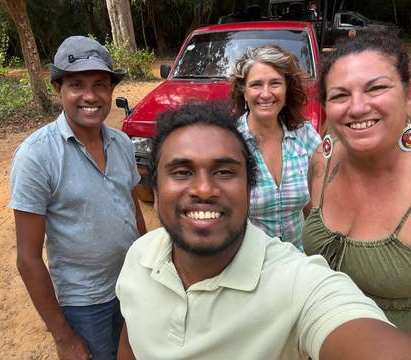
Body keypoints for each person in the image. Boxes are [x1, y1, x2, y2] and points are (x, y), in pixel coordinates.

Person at [115, 102, 411, 360]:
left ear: (248, 190)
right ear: (155, 192)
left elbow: (349, 324)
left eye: (224, 171)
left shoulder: (298, 285)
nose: (204, 189)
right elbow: (133, 341)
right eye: (182, 172)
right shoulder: (140, 256)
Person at [9, 36, 146, 360]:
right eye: (76, 85)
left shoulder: (122, 143)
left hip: (133, 286)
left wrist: (148, 270)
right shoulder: (36, 156)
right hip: (86, 303)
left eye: (100, 84)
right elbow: (27, 260)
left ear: (111, 90)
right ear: (59, 89)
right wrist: (64, 337)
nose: (90, 96)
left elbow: (132, 207)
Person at [303, 31, 411, 332]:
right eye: (340, 95)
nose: (358, 107)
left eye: (376, 88)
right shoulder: (323, 160)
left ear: (408, 94)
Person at [231, 45, 321, 249]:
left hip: (298, 261)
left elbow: (314, 205)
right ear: (244, 92)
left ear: (287, 89)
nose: (266, 94)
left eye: (275, 83)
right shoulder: (230, 142)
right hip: (251, 265)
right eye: (256, 85)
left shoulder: (304, 134)